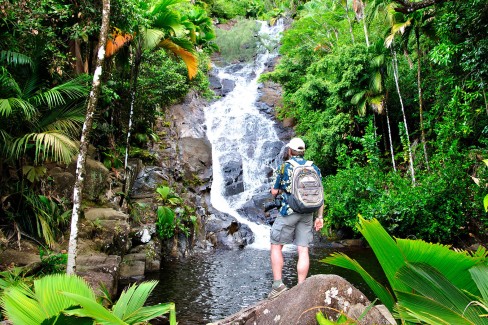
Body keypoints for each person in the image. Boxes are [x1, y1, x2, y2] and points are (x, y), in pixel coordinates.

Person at [268, 137, 324, 299]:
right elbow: (320, 193)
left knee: (276, 245)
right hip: (308, 212)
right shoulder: (314, 167)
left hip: (288, 211)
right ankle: (301, 287)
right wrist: (319, 217)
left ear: (290, 151)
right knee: (303, 249)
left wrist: (279, 191)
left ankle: (278, 285)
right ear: (303, 151)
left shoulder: (285, 167)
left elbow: (274, 191)